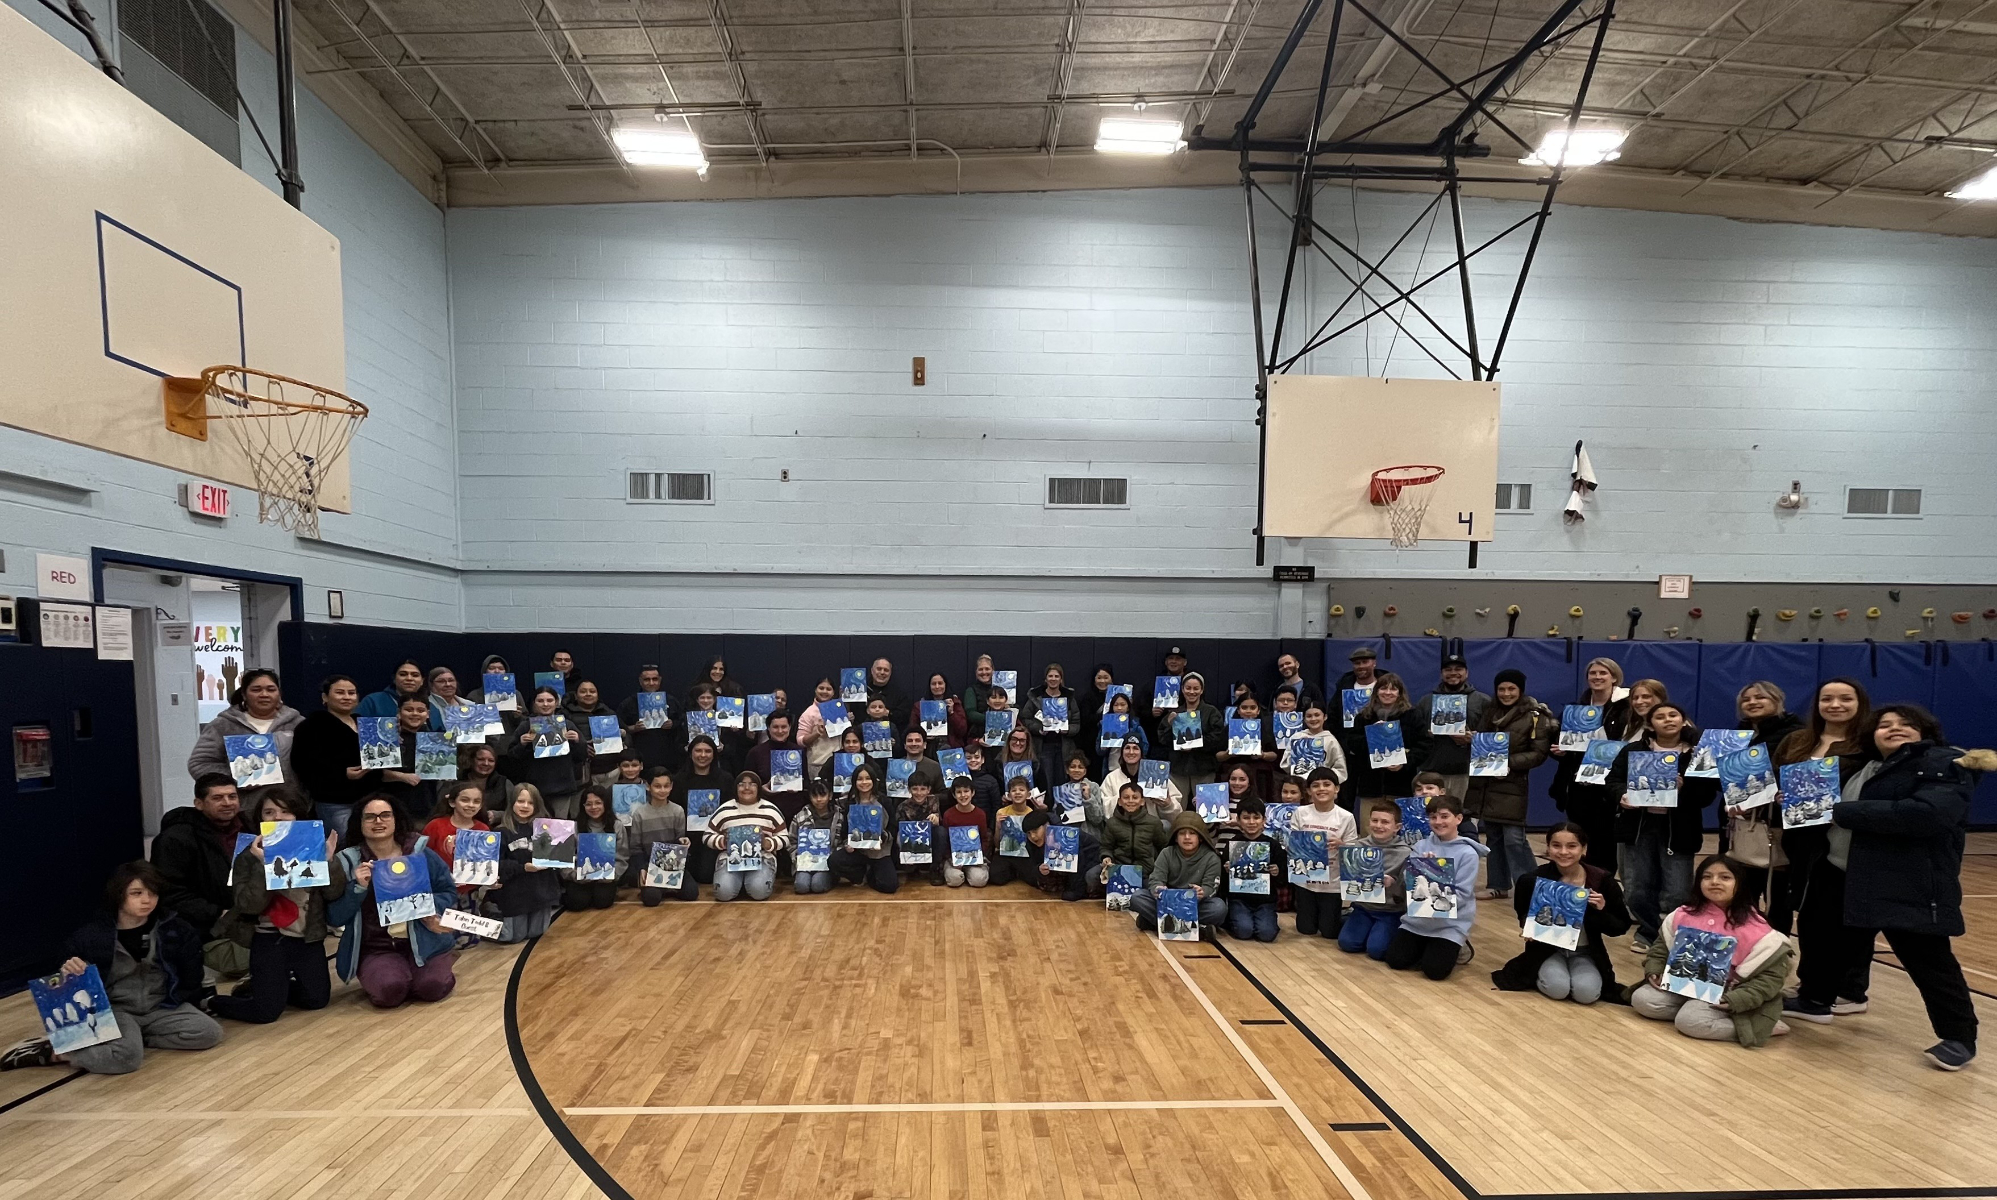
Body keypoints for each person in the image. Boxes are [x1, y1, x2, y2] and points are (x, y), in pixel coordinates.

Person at [1831, 705, 1987, 1070]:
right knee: (1839, 946)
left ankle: (1960, 1037)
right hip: (1860, 876)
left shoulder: (1945, 763)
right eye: (1884, 725)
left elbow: (1926, 815)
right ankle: (1824, 999)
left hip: (1913, 882)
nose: (1893, 728)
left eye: (1905, 724)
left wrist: (1842, 811)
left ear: (1925, 731)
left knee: (1929, 961)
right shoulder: (1869, 767)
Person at [2, 862, 221, 1074]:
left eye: (153, 893)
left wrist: (183, 1000)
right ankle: (57, 1053)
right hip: (117, 1010)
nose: (147, 900)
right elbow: (61, 982)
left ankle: (133, 1039)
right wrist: (69, 971)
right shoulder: (90, 936)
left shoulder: (175, 929)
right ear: (119, 894)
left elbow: (191, 975)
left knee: (209, 1033)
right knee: (126, 1059)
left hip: (160, 1006)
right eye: (137, 893)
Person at [1777, 679, 1878, 1025]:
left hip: (1843, 841)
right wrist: (1778, 795)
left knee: (1847, 920)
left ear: (1860, 703)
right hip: (1801, 839)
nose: (1835, 705)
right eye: (1827, 699)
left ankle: (1849, 991)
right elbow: (1777, 779)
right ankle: (1814, 983)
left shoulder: (1868, 745)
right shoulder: (1798, 740)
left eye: (1845, 698)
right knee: (1810, 917)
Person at [1629, 854, 1793, 1047]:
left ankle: (1758, 1027)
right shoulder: (1683, 914)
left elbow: (1770, 979)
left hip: (1728, 995)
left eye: (1725, 877)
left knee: (1690, 1022)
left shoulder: (1757, 929)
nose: (1715, 882)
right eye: (1707, 877)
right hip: (1682, 986)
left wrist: (1735, 1000)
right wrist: (1654, 970)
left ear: (1739, 883)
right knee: (1642, 999)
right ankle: (1694, 1014)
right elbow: (1660, 949)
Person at [211, 787, 342, 1024]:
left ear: (298, 816)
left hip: (307, 937)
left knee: (316, 1000)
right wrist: (264, 866)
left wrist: (329, 862)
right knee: (266, 1013)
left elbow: (334, 893)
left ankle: (266, 987)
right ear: (260, 818)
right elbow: (249, 906)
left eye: (285, 811)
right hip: (269, 938)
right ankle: (214, 1001)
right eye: (269, 812)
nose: (278, 817)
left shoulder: (314, 847)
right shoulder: (249, 855)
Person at [326, 794, 458, 1009]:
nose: (378, 821)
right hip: (377, 947)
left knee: (431, 988)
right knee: (390, 991)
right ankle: (391, 973)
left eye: (385, 815)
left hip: (426, 942)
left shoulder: (420, 853)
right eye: (370, 817)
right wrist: (358, 888)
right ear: (359, 823)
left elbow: (448, 891)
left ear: (396, 819)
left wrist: (428, 906)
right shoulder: (347, 861)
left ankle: (434, 965)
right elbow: (335, 916)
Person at [1606, 703, 1714, 953]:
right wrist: (1622, 795)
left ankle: (1671, 934)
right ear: (1650, 724)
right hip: (1638, 827)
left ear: (1683, 721)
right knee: (1636, 889)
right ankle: (1649, 931)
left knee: (1677, 890)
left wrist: (1684, 789)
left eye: (1673, 715)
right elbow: (1612, 781)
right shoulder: (1634, 750)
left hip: (1679, 829)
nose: (1667, 720)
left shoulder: (1698, 754)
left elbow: (1707, 795)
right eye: (1660, 716)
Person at [1490, 822, 1631, 1005]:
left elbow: (1620, 927)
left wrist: (1601, 911)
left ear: (1583, 849)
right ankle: (1540, 974)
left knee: (1587, 994)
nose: (1564, 852)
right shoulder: (1534, 880)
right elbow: (1523, 913)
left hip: (1585, 952)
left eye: (1571, 846)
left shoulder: (1601, 881)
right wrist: (1528, 926)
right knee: (1557, 989)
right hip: (1548, 950)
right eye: (1556, 845)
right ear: (1548, 848)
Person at [149, 773, 254, 977]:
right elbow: (169, 893)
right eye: (217, 798)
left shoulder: (251, 827)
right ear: (199, 804)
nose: (227, 803)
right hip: (208, 929)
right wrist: (216, 912)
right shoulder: (175, 839)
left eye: (232, 796)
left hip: (252, 917)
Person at [1460, 668, 1552, 900]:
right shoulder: (1490, 712)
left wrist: (1508, 763)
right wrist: (1473, 740)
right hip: (1486, 785)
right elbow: (1483, 747)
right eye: (1502, 689)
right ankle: (1498, 885)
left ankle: (1531, 889)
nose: (1506, 693)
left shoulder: (1534, 716)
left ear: (1521, 690)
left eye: (1512, 688)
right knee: (1493, 837)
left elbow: (1539, 753)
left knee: (1514, 840)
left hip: (1513, 786)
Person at [1729, 680, 1808, 928]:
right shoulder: (1738, 735)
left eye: (1760, 697)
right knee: (1742, 897)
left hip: (1776, 827)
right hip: (1740, 826)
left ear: (1777, 700)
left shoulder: (1797, 734)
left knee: (1777, 900)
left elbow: (1797, 777)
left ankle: (1776, 945)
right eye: (1746, 699)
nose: (1752, 702)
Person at [1383, 795, 1487, 981]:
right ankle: (1427, 946)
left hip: (1449, 924)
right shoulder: (1420, 846)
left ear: (1459, 819)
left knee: (1435, 972)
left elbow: (1463, 894)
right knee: (1395, 961)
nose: (1438, 822)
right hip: (1417, 921)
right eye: (1433, 817)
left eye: (1444, 816)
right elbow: (1409, 885)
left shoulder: (1468, 853)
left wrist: (1436, 878)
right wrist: (1418, 872)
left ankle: (1459, 945)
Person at [1546, 657, 1630, 869]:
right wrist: (1560, 751)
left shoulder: (1627, 709)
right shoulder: (1575, 709)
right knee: (1580, 843)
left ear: (1614, 678)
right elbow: (1556, 744)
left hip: (1608, 787)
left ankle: (1603, 884)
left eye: (1603, 673)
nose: (1597, 677)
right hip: (1578, 788)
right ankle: (1580, 884)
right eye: (1593, 673)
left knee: (1605, 845)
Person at [185, 668, 303, 808]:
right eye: (256, 690)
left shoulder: (299, 723)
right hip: (242, 808)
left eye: (271, 689)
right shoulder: (223, 725)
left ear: (279, 694)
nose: (264, 694)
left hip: (291, 806)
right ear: (244, 694)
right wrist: (235, 777)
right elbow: (199, 763)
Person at [291, 674, 376, 842]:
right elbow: (301, 763)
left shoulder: (367, 724)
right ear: (325, 697)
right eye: (340, 692)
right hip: (334, 801)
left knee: (371, 843)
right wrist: (341, 773)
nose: (347, 697)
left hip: (370, 798)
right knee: (345, 843)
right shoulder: (311, 725)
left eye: (351, 693)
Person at [1129, 812, 1227, 937]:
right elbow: (1156, 879)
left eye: (1192, 833)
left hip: (1195, 904)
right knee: (1137, 897)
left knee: (1219, 908)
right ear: (1175, 837)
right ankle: (1198, 931)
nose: (1187, 837)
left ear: (1201, 837)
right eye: (1182, 833)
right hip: (1167, 904)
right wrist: (1158, 889)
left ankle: (1155, 923)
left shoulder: (1212, 858)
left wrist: (1202, 892)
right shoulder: (1167, 853)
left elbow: (1211, 887)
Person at [1292, 767, 1359, 940]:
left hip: (1332, 884)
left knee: (1330, 933)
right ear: (1308, 791)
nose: (1321, 789)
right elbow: (1291, 844)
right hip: (1305, 883)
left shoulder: (1346, 817)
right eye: (1315, 785)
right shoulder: (1300, 813)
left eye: (1327, 784)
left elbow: (1353, 852)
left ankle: (1349, 915)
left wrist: (1341, 845)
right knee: (1306, 929)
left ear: (1336, 789)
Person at [1337, 802, 1409, 960]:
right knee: (1347, 943)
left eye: (1385, 822)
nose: (1378, 825)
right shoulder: (1358, 846)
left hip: (1390, 911)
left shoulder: (1405, 853)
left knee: (1377, 950)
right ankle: (1355, 922)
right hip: (1363, 907)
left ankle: (1384, 931)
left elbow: (1408, 890)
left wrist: (1393, 883)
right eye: (1375, 820)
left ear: (1397, 827)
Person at [1409, 654, 1487, 801]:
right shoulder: (1426, 701)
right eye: (1448, 669)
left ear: (1467, 673)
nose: (1453, 673)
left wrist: (1475, 739)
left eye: (1458, 669)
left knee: (1461, 813)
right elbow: (1413, 736)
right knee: (1429, 814)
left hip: (1466, 773)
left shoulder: (1482, 701)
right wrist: (1426, 735)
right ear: (1441, 674)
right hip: (1431, 773)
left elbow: (1492, 737)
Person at [493, 784, 562, 941]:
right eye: (520, 801)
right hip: (515, 893)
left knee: (536, 933)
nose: (525, 806)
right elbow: (496, 863)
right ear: (512, 803)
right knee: (512, 937)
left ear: (537, 805)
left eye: (530, 803)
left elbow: (559, 860)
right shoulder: (501, 831)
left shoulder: (548, 829)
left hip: (541, 891)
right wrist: (522, 867)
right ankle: (490, 914)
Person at [706, 771, 788, 902]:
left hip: (762, 859)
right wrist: (723, 841)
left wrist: (767, 843)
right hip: (731, 859)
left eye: (752, 784)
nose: (747, 788)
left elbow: (784, 837)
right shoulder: (724, 809)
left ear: (759, 788)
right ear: (736, 788)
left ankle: (748, 883)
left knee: (759, 891)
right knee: (723, 893)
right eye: (742, 784)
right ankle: (739, 883)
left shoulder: (771, 810)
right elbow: (707, 835)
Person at [1350, 673, 1431, 805]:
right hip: (1371, 786)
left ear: (1399, 693)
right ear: (1376, 692)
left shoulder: (1412, 715)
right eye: (1383, 688)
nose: (1388, 692)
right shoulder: (1363, 716)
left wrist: (1405, 762)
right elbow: (1352, 744)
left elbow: (1425, 744)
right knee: (1370, 819)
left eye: (1393, 689)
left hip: (1401, 786)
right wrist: (1372, 735)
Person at [506, 686, 585, 819]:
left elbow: (582, 756)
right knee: (534, 825)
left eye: (549, 700)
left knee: (559, 827)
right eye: (540, 701)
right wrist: (522, 744)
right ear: (534, 703)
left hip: (562, 787)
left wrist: (577, 741)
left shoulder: (567, 725)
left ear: (556, 702)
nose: (545, 704)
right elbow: (512, 757)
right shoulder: (525, 726)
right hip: (533, 789)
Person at [623, 770, 698, 904]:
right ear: (648, 786)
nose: (662, 790)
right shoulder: (639, 814)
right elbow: (635, 848)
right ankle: (660, 888)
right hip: (650, 865)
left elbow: (679, 842)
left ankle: (667, 887)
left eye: (666, 786)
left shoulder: (677, 811)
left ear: (671, 786)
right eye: (657, 786)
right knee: (651, 899)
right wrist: (642, 868)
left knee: (691, 893)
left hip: (673, 864)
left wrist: (683, 842)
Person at [674, 736, 734, 885]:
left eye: (707, 751)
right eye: (698, 751)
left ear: (714, 754)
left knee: (706, 877)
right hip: (687, 839)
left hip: (714, 838)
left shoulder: (725, 779)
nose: (702, 755)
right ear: (690, 753)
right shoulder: (678, 780)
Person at [1223, 800, 1284, 942]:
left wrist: (1277, 872)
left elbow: (1283, 879)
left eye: (1256, 818)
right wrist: (1226, 870)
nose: (1251, 822)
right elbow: (1223, 881)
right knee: (1244, 931)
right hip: (1239, 899)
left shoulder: (1273, 845)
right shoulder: (1232, 844)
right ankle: (1234, 920)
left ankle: (1265, 921)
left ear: (1264, 820)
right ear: (1238, 820)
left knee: (1266, 934)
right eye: (1246, 818)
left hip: (1265, 901)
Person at [422, 780, 490, 904]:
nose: (471, 805)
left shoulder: (483, 829)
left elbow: (484, 864)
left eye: (476, 801)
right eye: (465, 800)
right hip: (438, 890)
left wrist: (489, 878)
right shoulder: (435, 826)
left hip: (469, 893)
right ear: (452, 802)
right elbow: (422, 858)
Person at [1158, 671, 1225, 795]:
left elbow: (1218, 737)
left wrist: (1195, 744)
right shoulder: (1175, 712)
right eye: (1188, 688)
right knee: (1177, 805)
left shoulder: (1211, 712)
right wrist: (1169, 724)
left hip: (1203, 768)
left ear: (1202, 690)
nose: (1192, 692)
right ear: (1182, 690)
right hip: (1178, 769)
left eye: (1196, 688)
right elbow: (1162, 738)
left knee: (1204, 805)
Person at [1013, 810, 1099, 901]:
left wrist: (1075, 892)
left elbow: (1078, 864)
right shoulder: (1030, 844)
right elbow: (1033, 865)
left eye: (1035, 831)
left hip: (1092, 860)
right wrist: (1039, 870)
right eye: (1029, 833)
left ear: (1047, 825)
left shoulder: (1065, 836)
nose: (1033, 837)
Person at [374, 694, 438, 814]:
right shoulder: (384, 737)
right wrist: (402, 776)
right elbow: (374, 773)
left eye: (421, 710)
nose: (415, 714)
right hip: (392, 804)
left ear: (428, 714)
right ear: (399, 712)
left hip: (427, 804)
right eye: (409, 710)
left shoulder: (436, 740)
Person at [563, 786, 621, 911]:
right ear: (583, 806)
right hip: (579, 877)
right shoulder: (574, 826)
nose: (593, 807)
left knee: (602, 901)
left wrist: (613, 875)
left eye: (598, 803)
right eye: (588, 804)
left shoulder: (617, 826)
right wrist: (574, 875)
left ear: (606, 804)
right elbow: (565, 857)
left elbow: (622, 856)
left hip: (605, 878)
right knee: (576, 903)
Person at [1024, 663, 1081, 786]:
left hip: (1064, 746)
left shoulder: (1069, 699)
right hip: (1043, 746)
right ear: (1045, 679)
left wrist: (1068, 730)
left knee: (1062, 780)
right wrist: (1039, 729)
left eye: (1056, 676)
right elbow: (1025, 719)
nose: (1053, 679)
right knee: (1047, 780)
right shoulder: (1036, 698)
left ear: (1061, 679)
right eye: (1050, 676)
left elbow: (1076, 723)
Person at [1102, 736, 1181, 819]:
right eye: (1127, 748)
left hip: (1151, 823)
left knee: (1165, 824)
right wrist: (1124, 797)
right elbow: (1104, 808)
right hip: (1121, 823)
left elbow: (1177, 813)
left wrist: (1167, 806)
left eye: (1135, 748)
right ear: (1122, 752)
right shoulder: (1111, 778)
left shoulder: (1156, 775)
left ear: (1141, 753)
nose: (1131, 752)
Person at [618, 665, 678, 771]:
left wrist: (672, 724)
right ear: (640, 681)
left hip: (668, 755)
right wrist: (633, 728)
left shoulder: (671, 701)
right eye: (647, 680)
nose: (651, 683)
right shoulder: (628, 703)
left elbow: (682, 722)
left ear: (660, 680)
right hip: (640, 755)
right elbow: (618, 729)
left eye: (655, 679)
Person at [748, 712, 808, 818]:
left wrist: (799, 786)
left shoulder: (799, 751)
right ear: (768, 728)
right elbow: (747, 783)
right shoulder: (756, 753)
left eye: (784, 727)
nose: (780, 731)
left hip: (794, 810)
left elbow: (807, 782)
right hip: (765, 810)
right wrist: (762, 789)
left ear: (790, 727)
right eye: (775, 727)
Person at [789, 781, 844, 895]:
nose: (818, 799)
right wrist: (797, 857)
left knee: (817, 885)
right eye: (814, 796)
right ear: (810, 797)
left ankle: (832, 878)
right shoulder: (800, 816)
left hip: (827, 864)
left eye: (822, 795)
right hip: (805, 864)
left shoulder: (839, 816)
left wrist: (834, 856)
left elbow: (843, 841)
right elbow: (791, 841)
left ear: (830, 795)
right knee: (801, 886)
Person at [1279, 700, 1348, 785]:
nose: (1313, 719)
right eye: (1309, 716)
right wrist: (1296, 757)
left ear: (1325, 717)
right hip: (1300, 785)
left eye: (1317, 715)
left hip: (1321, 786)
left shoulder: (1331, 740)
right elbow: (1285, 764)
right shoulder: (1297, 737)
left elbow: (1340, 768)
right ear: (1304, 719)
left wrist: (1326, 777)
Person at [894, 777, 946, 887]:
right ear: (909, 790)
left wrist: (936, 819)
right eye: (915, 789)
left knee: (941, 831)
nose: (919, 793)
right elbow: (901, 832)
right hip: (911, 841)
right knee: (899, 837)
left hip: (930, 838)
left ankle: (935, 869)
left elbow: (938, 820)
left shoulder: (934, 800)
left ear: (928, 789)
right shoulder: (902, 806)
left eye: (923, 789)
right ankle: (912, 867)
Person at [941, 777, 991, 888]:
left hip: (974, 858)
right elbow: (946, 841)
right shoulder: (948, 814)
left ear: (973, 793)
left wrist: (978, 857)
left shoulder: (980, 814)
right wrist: (952, 859)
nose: (963, 795)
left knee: (979, 880)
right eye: (959, 792)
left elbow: (984, 839)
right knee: (954, 880)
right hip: (954, 859)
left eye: (966, 791)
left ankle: (970, 873)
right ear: (954, 795)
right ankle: (957, 872)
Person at [563, 680, 620, 777]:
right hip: (581, 771)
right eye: (583, 691)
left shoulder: (608, 713)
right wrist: (581, 747)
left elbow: (625, 736)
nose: (588, 694)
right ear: (576, 695)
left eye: (592, 691)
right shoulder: (565, 715)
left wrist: (622, 736)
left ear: (597, 695)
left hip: (611, 769)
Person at [356, 660, 434, 724]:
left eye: (415, 675)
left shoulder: (432, 708)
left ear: (422, 681)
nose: (409, 678)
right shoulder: (372, 701)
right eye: (403, 674)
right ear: (394, 679)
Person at [458, 743, 513, 826]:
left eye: (491, 760)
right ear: (472, 760)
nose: (486, 763)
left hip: (494, 829)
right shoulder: (458, 782)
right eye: (481, 759)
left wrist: (497, 815)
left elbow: (515, 812)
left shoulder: (504, 783)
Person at [910, 673, 969, 749]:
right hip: (927, 747)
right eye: (934, 684)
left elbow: (962, 731)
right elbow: (913, 728)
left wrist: (952, 713)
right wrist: (923, 735)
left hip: (951, 747)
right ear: (929, 686)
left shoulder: (955, 703)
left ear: (945, 685)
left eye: (940, 683)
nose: (937, 686)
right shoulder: (919, 706)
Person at [863, 657, 910, 731]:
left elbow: (904, 717)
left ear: (890, 673)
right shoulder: (860, 691)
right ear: (872, 670)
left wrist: (888, 713)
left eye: (886, 670)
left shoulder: (899, 695)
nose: (882, 672)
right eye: (879, 669)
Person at [425, 666, 475, 731]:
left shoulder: (470, 705)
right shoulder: (425, 706)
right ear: (431, 685)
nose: (448, 684)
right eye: (441, 681)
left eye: (451, 680)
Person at [963, 654, 995, 741]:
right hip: (978, 735)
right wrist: (994, 719)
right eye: (980, 669)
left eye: (987, 669)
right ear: (976, 672)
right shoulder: (971, 690)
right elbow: (971, 714)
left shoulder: (1002, 689)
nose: (984, 672)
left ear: (993, 670)